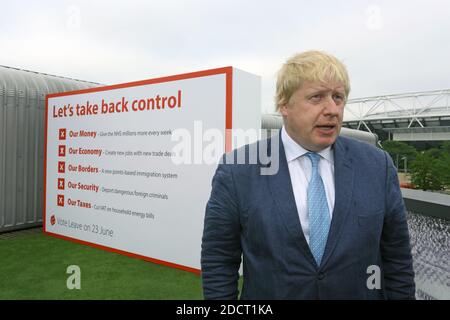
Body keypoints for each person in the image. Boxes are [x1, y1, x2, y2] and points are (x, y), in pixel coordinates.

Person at [201, 50, 416, 299]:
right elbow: (219, 259)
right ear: (284, 104)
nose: (332, 109)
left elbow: (397, 258)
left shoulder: (377, 165)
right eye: (317, 97)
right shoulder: (238, 169)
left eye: (338, 97)